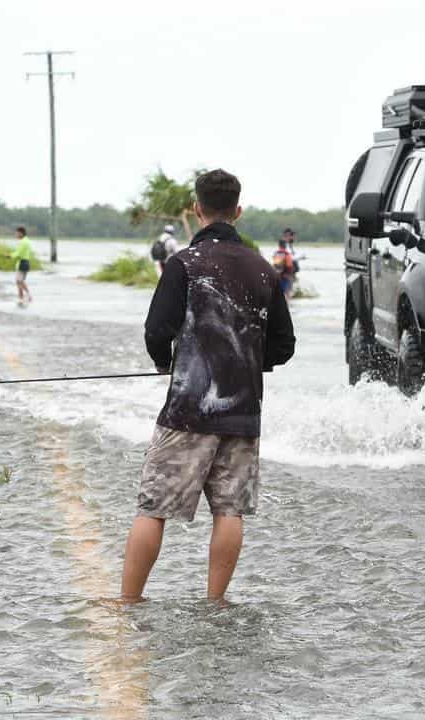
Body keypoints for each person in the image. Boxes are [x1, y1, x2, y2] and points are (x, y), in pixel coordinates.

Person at [121, 169, 295, 604]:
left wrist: (166, 364)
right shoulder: (263, 269)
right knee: (229, 511)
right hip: (243, 412)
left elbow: (156, 331)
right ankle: (215, 602)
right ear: (238, 210)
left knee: (153, 508)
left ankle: (128, 601)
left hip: (188, 409)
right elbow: (284, 345)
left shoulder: (184, 264)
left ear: (197, 210)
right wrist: (252, 362)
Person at [11, 226, 34, 307]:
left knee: (19, 281)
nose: (16, 235)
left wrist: (9, 256)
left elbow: (18, 253)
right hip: (26, 262)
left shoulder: (23, 242)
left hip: (22, 263)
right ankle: (21, 299)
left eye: (17, 233)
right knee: (19, 282)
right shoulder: (27, 240)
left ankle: (28, 295)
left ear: (21, 233)